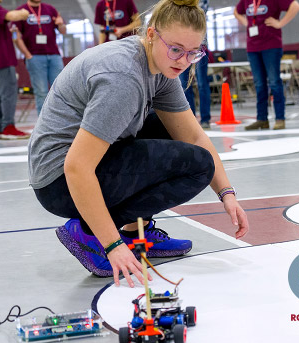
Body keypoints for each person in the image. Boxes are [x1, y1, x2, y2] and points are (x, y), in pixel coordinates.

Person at [29, 0, 249, 287]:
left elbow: (193, 136)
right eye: (176, 50)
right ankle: (88, 233)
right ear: (150, 35)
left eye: (192, 53)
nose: (183, 61)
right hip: (59, 182)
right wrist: (111, 245)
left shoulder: (161, 66)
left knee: (174, 134)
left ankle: (136, 234)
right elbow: (77, 166)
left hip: (83, 165)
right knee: (197, 166)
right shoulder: (123, 78)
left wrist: (227, 193)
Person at [234, 0, 299, 131]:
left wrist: (280, 23)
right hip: (252, 47)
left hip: (271, 45)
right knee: (259, 84)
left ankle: (280, 119)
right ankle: (262, 119)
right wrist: (246, 23)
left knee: (274, 82)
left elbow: (295, 6)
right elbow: (236, 12)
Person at [0, 0, 30, 140]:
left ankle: (0, 128)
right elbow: (13, 16)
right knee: (8, 92)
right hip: (2, 58)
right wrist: (24, 12)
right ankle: (8, 127)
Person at [14, 0, 66, 118]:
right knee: (41, 92)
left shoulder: (50, 9)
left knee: (61, 91)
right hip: (35, 57)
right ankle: (44, 126)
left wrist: (60, 24)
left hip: (54, 56)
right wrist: (27, 55)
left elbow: (63, 31)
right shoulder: (21, 12)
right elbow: (16, 37)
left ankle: (61, 122)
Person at [178, 0, 211, 130]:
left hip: (199, 45)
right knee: (184, 84)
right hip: (182, 46)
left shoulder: (202, 2)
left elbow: (197, 14)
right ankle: (189, 120)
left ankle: (205, 119)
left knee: (203, 84)